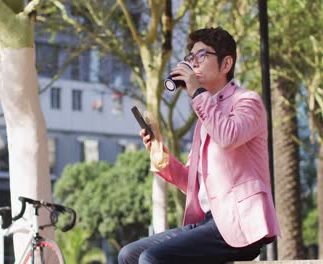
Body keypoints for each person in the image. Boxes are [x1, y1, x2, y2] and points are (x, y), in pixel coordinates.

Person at [118, 27, 280, 264]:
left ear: (226, 64)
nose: (193, 63)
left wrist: (196, 91)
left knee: (152, 259)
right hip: (209, 222)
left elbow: (228, 136)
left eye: (201, 56)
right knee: (129, 254)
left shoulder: (247, 102)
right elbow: (190, 182)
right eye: (191, 57)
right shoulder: (206, 116)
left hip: (239, 223)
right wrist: (158, 150)